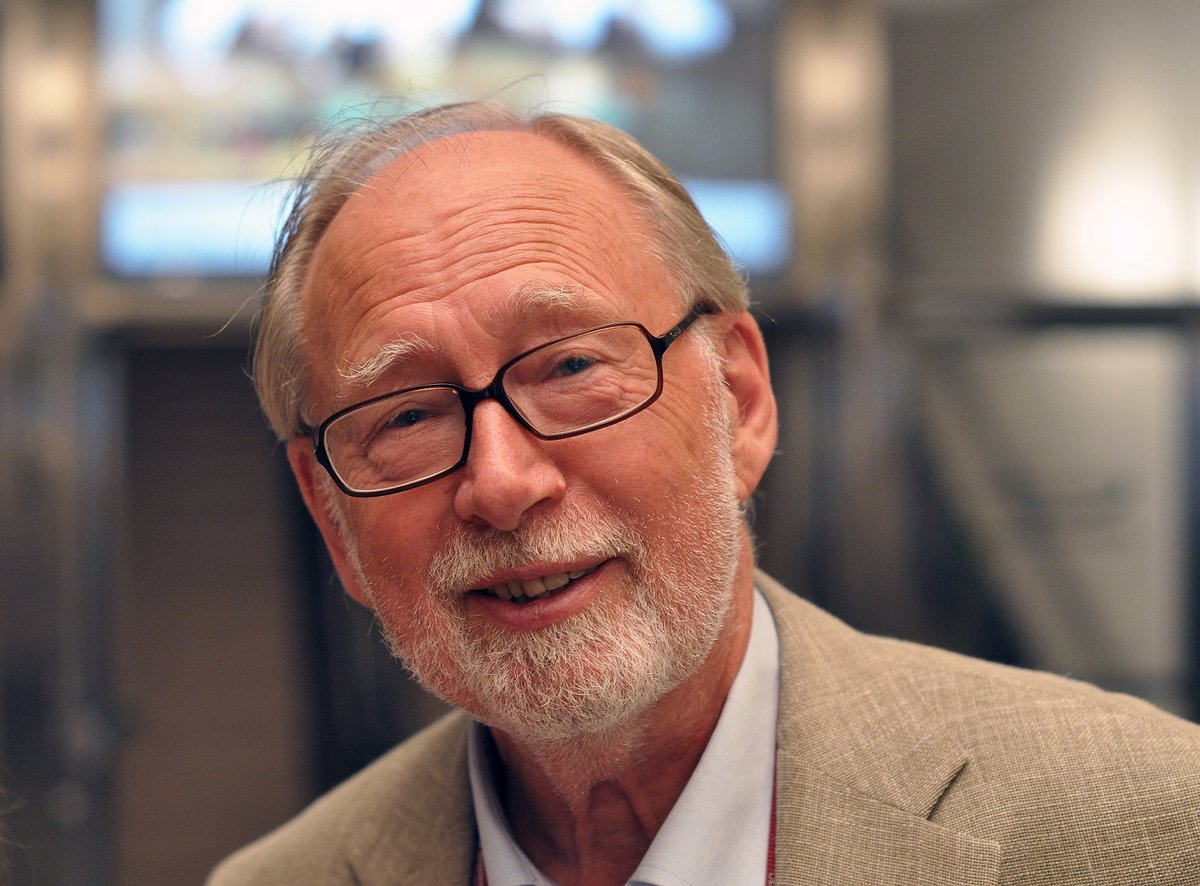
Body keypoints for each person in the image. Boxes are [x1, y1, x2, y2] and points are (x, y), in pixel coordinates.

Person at [209, 102, 1200, 886]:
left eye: (570, 367)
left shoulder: (1142, 825)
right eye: (408, 416)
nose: (502, 483)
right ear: (331, 517)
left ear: (740, 400)